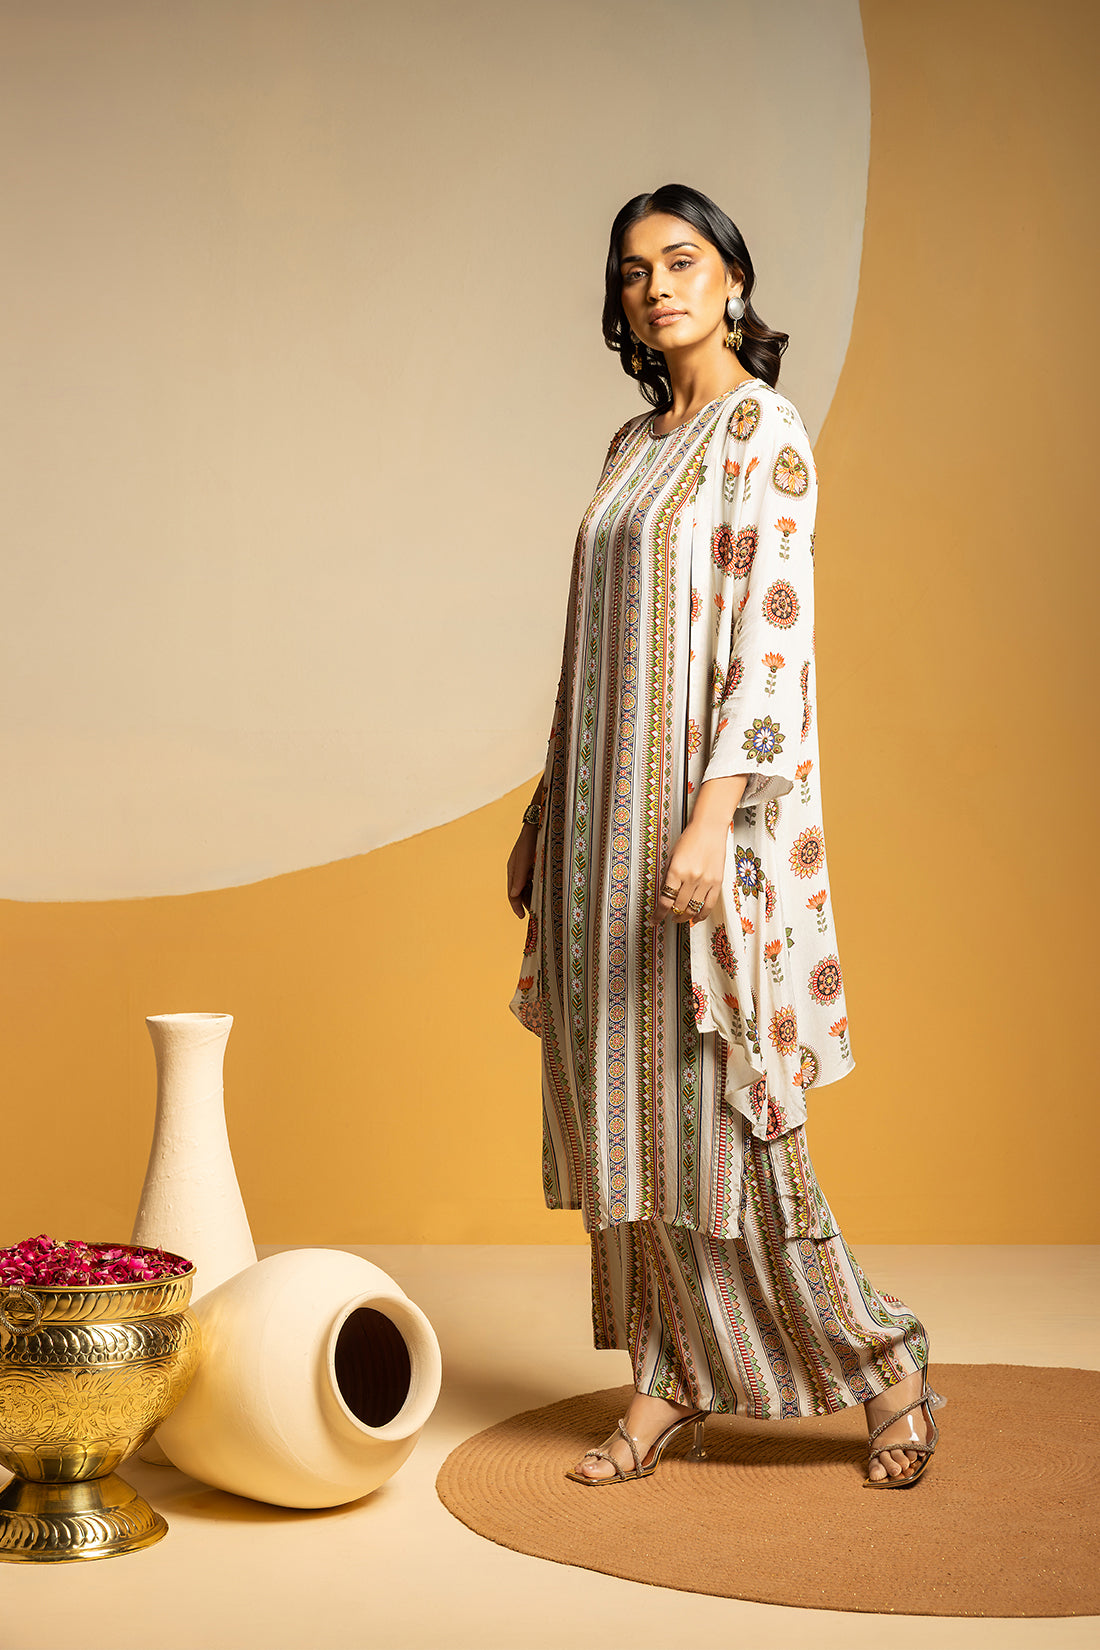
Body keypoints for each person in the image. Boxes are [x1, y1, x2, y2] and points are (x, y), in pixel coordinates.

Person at [506, 184, 943, 1489]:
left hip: (704, 837)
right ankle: (667, 1380)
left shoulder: (766, 432)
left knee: (734, 1122)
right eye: (634, 269)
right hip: (597, 838)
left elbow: (771, 644)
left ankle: (887, 1369)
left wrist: (708, 822)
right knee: (628, 1124)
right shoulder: (631, 443)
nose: (657, 286)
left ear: (734, 278)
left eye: (682, 260)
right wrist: (544, 814)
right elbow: (587, 653)